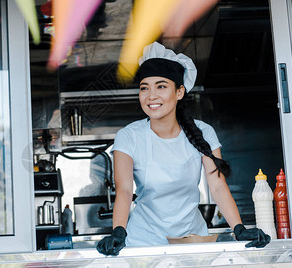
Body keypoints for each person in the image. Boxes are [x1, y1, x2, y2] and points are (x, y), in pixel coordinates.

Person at [96, 42, 270, 256]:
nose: (151, 96)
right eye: (144, 87)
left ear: (179, 92)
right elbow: (123, 189)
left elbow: (217, 186)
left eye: (161, 86)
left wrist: (239, 229)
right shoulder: (129, 136)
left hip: (191, 242)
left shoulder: (203, 132)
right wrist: (118, 232)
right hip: (143, 244)